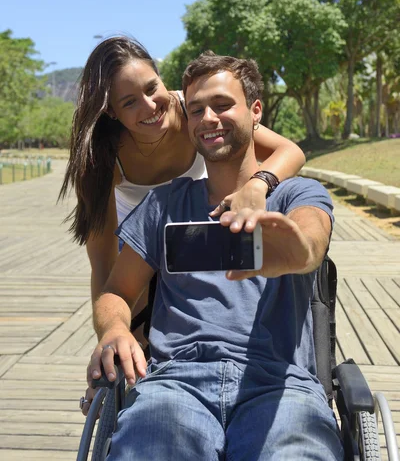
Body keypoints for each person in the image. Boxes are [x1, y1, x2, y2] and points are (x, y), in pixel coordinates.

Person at [88, 52, 343, 460]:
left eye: (223, 105)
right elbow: (115, 289)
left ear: (255, 111)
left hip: (281, 384)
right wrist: (114, 332)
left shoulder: (297, 194)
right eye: (197, 110)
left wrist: (297, 252)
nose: (209, 118)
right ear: (186, 121)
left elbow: (312, 240)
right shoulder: (162, 205)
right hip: (175, 384)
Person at [59, 36, 305, 411]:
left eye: (151, 88)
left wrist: (258, 185)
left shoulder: (196, 114)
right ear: (111, 112)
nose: (149, 106)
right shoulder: (101, 159)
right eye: (129, 102)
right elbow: (104, 267)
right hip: (140, 239)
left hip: (191, 223)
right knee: (130, 345)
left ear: (161, 78)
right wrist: (111, 333)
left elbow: (291, 151)